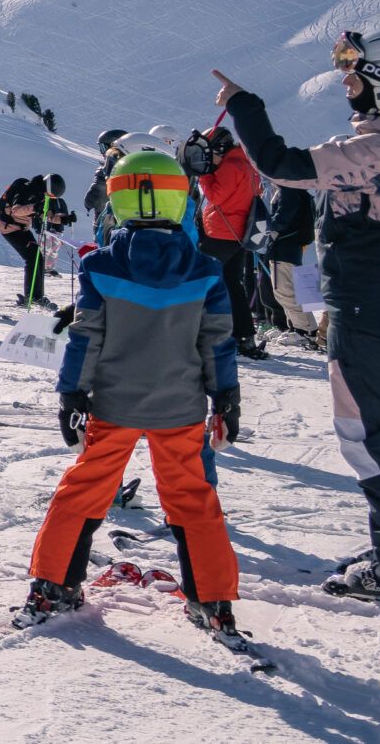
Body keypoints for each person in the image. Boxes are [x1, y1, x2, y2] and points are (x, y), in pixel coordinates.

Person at [216, 30, 380, 604]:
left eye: (359, 79)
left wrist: (244, 107)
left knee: (369, 439)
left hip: (369, 308)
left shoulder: (379, 149)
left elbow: (283, 165)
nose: (349, 89)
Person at [17, 149, 242, 635]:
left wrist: (72, 397)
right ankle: (212, 599)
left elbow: (86, 337)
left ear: (118, 202)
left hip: (113, 407)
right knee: (193, 500)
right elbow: (217, 343)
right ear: (178, 199)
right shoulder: (205, 271)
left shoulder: (100, 267)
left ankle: (53, 586)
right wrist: (226, 398)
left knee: (82, 492)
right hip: (180, 409)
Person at [185, 125, 266, 359]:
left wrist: (205, 174)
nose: (212, 158)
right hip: (239, 235)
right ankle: (243, 336)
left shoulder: (230, 166)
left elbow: (216, 196)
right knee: (233, 284)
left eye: (212, 153)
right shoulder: (247, 164)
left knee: (202, 280)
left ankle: (199, 333)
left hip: (220, 233)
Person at [258, 175, 326, 350]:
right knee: (286, 290)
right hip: (291, 246)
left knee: (285, 291)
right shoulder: (298, 190)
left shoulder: (288, 191)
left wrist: (269, 229)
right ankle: (296, 327)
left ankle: (304, 331)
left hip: (284, 247)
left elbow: (284, 216)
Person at [0, 172, 76, 306]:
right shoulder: (28, 189)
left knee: (38, 258)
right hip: (10, 228)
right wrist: (35, 207)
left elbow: (46, 215)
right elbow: (16, 210)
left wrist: (64, 219)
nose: (51, 198)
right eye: (51, 195)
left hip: (22, 228)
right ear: (48, 188)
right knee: (33, 257)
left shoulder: (41, 195)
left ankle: (36, 296)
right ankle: (33, 297)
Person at [83, 128, 126, 245]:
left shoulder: (105, 171)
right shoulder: (132, 168)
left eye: (103, 148)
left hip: (106, 221)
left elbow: (93, 196)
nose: (102, 153)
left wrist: (88, 204)